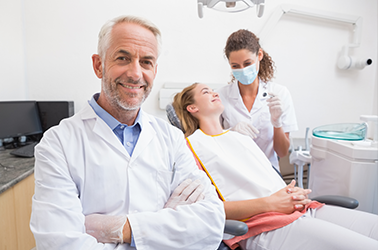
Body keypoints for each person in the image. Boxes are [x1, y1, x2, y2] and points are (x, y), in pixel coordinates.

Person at [30, 16, 225, 250]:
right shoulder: (57, 143)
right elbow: (59, 243)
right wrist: (165, 223)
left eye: (146, 62)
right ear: (98, 65)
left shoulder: (171, 137)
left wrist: (121, 228)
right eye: (123, 58)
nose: (135, 73)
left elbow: (211, 220)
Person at [172, 82, 378, 250]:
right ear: (193, 108)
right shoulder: (190, 148)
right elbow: (208, 210)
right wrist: (271, 203)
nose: (214, 93)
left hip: (300, 209)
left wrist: (291, 193)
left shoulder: (239, 137)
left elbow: (266, 180)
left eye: (212, 90)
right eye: (205, 92)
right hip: (266, 226)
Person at [217, 29, 298, 171]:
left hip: (268, 171)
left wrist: (277, 123)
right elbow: (214, 145)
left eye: (247, 63)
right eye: (235, 66)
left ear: (259, 55)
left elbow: (282, 152)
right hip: (235, 171)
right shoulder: (221, 96)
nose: (242, 70)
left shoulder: (280, 93)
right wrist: (229, 133)